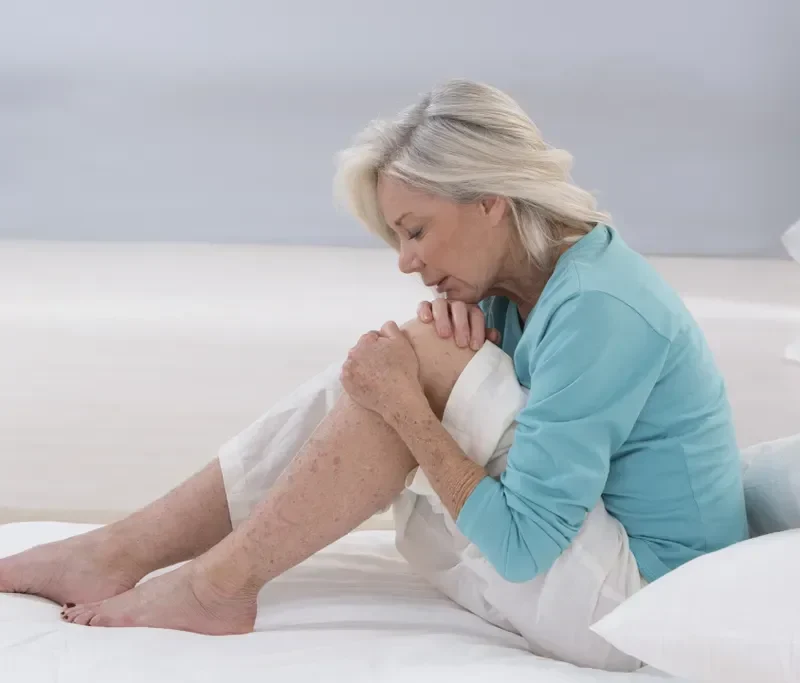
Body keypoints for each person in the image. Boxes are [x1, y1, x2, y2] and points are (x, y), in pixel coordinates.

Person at [0, 79, 748, 671]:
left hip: (635, 612)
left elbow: (524, 547)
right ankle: (125, 554)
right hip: (582, 579)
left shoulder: (601, 308)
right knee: (398, 364)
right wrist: (426, 375)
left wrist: (412, 408)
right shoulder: (521, 290)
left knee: (405, 369)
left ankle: (207, 583)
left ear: (491, 199)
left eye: (416, 231)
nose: (407, 262)